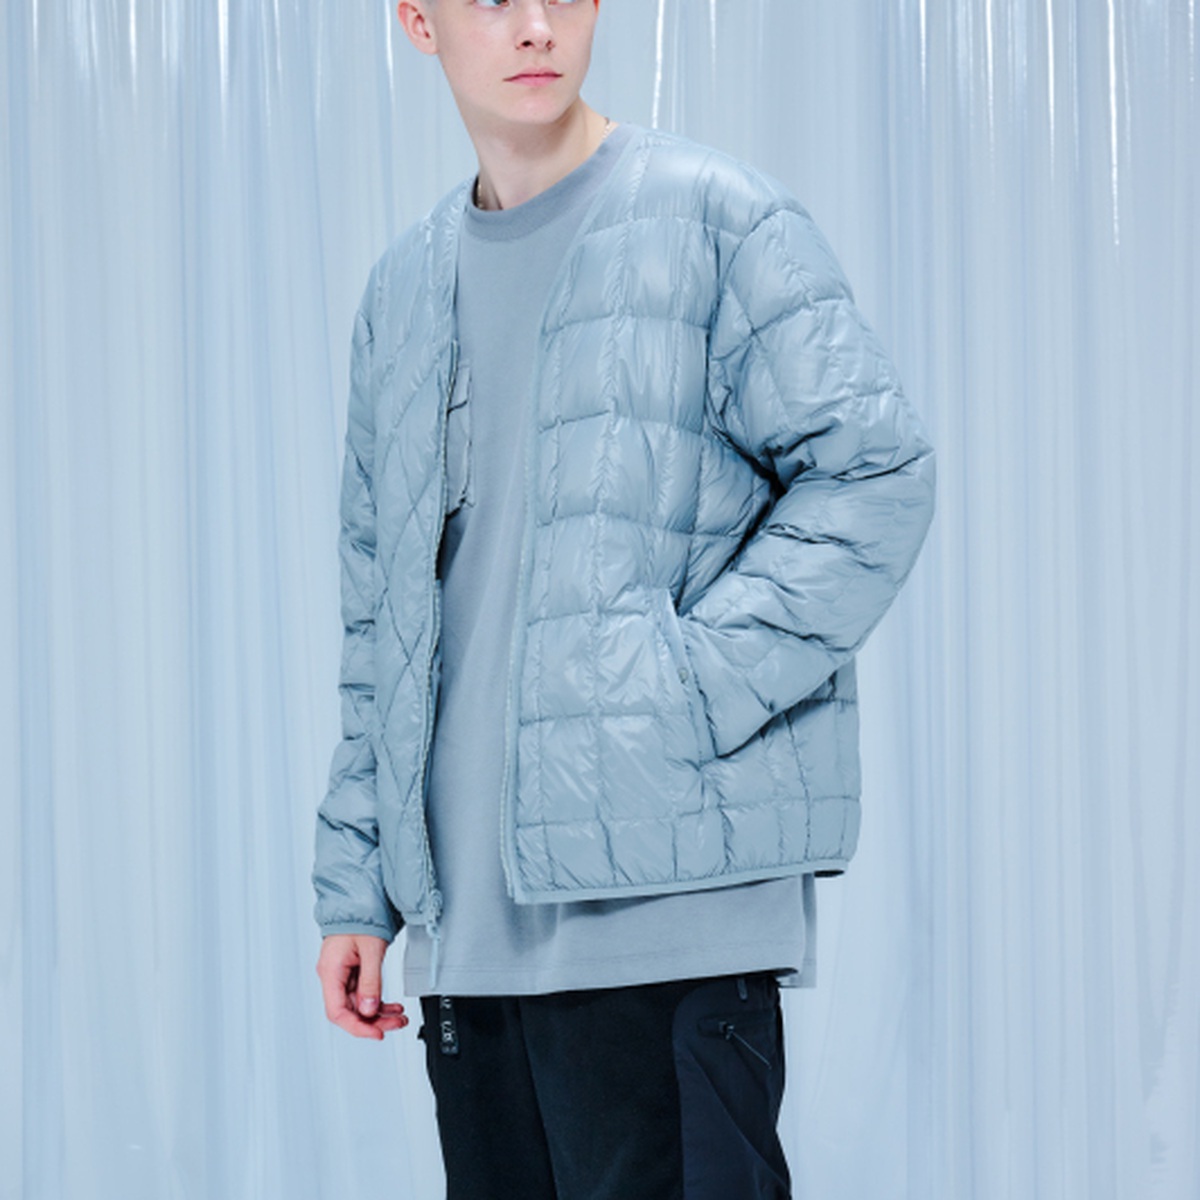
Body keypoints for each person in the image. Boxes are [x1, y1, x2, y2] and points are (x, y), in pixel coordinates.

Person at [313, 1, 935, 1197]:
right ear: (419, 21)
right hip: (469, 945)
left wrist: (683, 695)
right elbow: (377, 613)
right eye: (494, 0)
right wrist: (359, 882)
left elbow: (875, 472)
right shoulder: (403, 291)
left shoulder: (721, 220)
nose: (536, 27)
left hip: (670, 925)